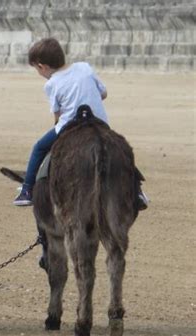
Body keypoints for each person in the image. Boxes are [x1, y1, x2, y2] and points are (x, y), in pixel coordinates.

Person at [14, 37, 149, 209]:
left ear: (42, 66)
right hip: (99, 123)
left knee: (39, 147)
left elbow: (57, 115)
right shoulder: (84, 67)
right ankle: (136, 189)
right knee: (121, 150)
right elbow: (104, 94)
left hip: (70, 126)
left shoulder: (51, 84)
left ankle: (26, 190)